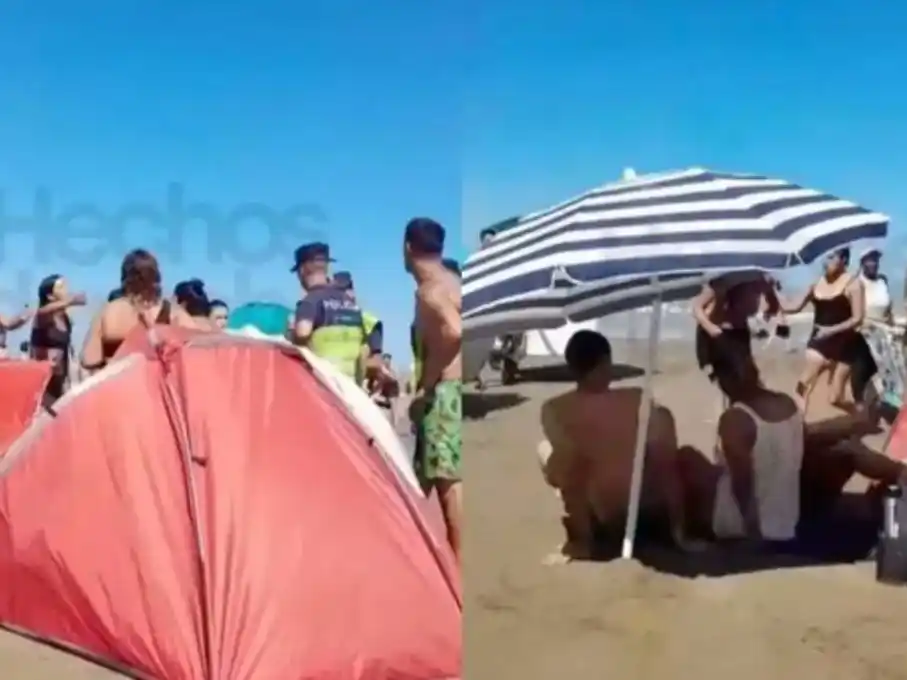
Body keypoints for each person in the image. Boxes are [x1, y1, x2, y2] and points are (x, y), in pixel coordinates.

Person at [676, 334, 906, 548]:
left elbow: (742, 485)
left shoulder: (735, 419)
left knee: (686, 458)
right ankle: (900, 472)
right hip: (787, 516)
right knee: (706, 469)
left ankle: (677, 532)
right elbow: (800, 440)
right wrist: (850, 426)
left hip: (751, 522)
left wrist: (753, 533)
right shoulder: (786, 403)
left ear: (723, 378)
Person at [538, 330, 698, 563]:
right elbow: (667, 467)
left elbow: (570, 471)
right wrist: (680, 534)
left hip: (602, 518)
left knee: (550, 452)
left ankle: (583, 542)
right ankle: (677, 530)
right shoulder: (636, 399)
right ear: (606, 362)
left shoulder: (555, 409)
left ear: (572, 367)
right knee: (662, 439)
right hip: (646, 510)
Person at [406, 218, 462, 563]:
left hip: (444, 393)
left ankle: (458, 568)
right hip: (448, 391)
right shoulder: (453, 281)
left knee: (449, 483)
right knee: (425, 481)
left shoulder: (432, 289)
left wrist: (429, 382)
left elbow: (454, 332)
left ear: (408, 248)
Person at [80, 249, 194, 372]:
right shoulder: (174, 313)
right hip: (159, 387)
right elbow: (196, 351)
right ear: (157, 277)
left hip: (120, 386)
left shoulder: (108, 312)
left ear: (124, 277)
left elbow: (89, 359)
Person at [783, 248, 866, 413]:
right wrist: (773, 297)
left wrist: (831, 330)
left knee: (835, 399)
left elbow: (858, 319)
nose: (825, 262)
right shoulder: (816, 284)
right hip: (819, 343)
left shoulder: (853, 284)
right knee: (803, 385)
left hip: (845, 347)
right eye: (824, 257)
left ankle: (858, 414)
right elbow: (793, 307)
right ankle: (800, 431)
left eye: (831, 257)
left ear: (843, 260)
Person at [289, 243, 377, 383]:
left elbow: (302, 332)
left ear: (302, 270)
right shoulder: (350, 303)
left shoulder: (310, 301)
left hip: (324, 385)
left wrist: (290, 333)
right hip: (350, 387)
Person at [691, 271, 783, 382]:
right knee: (725, 379)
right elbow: (697, 307)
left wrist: (764, 316)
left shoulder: (760, 280)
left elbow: (774, 304)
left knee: (745, 379)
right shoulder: (723, 279)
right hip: (715, 333)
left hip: (740, 332)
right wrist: (711, 328)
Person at [30, 275, 86, 403]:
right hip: (43, 381)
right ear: (50, 296)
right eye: (61, 287)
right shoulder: (44, 317)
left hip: (61, 379)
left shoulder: (65, 318)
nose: (66, 290)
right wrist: (71, 301)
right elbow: (42, 312)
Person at [851, 248, 892, 404]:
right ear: (862, 263)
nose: (874, 263)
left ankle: (880, 406)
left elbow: (889, 309)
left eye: (875, 260)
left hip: (884, 333)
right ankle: (860, 406)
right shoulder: (857, 283)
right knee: (862, 371)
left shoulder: (883, 280)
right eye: (869, 260)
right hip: (864, 333)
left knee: (886, 372)